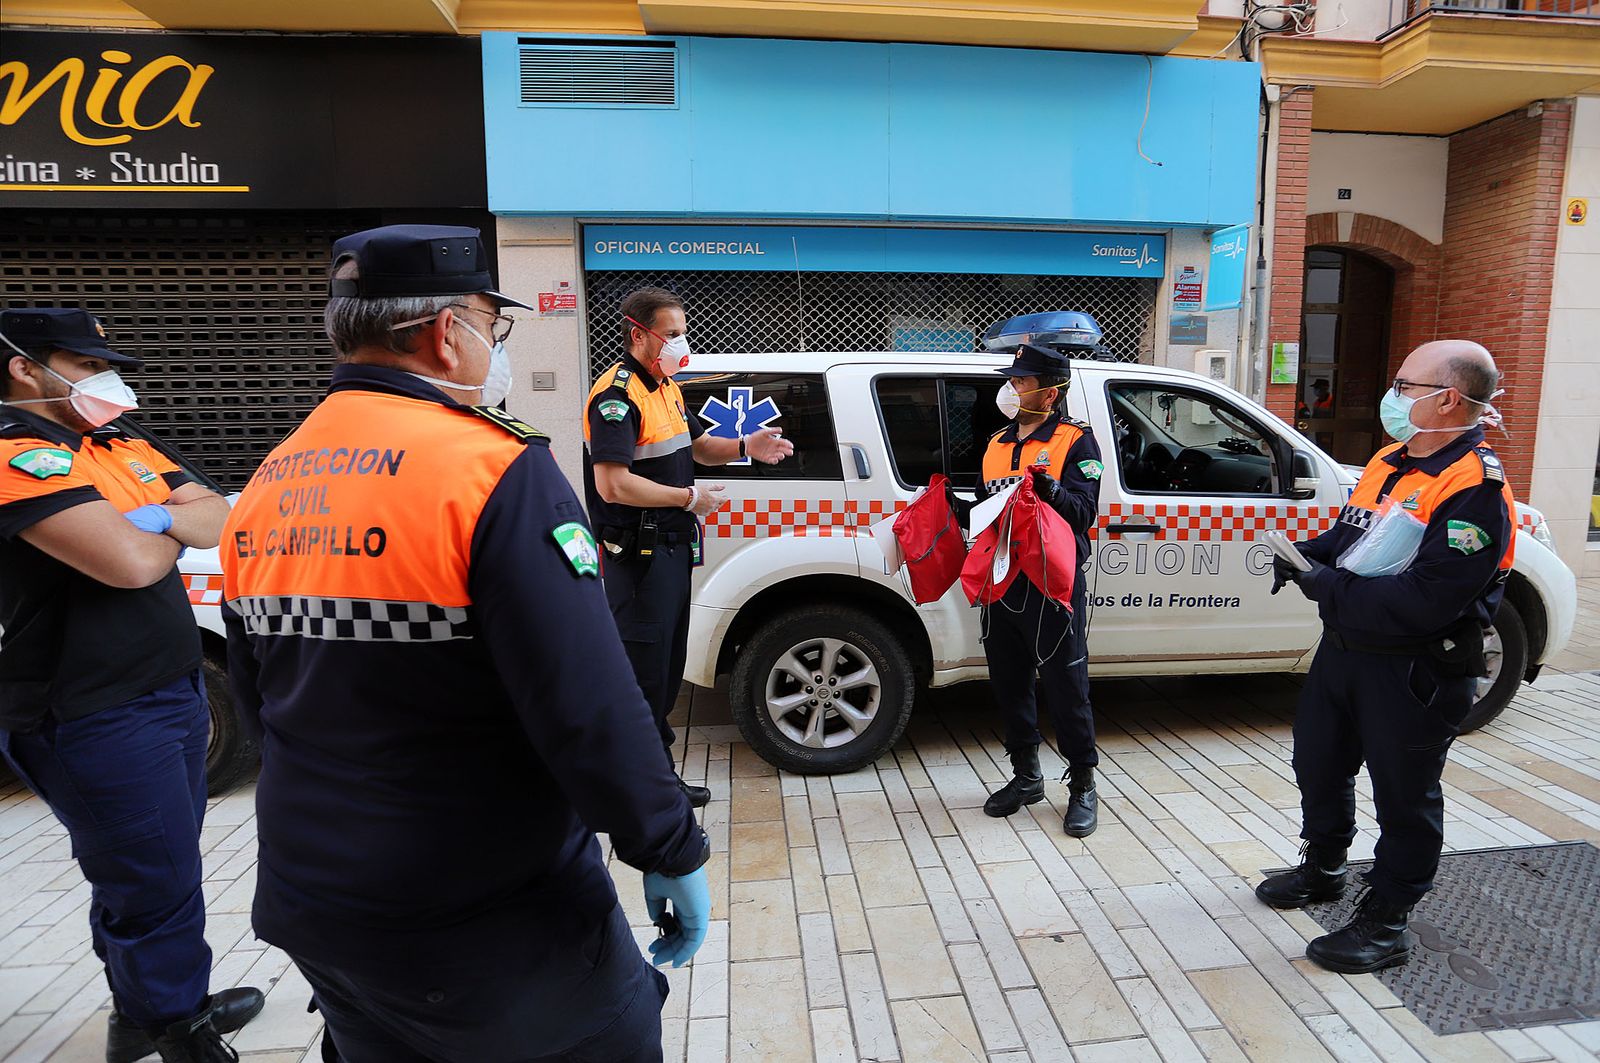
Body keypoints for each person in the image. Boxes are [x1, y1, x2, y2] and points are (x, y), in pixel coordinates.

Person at [220, 227, 711, 1062]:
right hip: (481, 910)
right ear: (447, 331)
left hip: (317, 899)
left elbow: (260, 698)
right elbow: (586, 698)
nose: (496, 344)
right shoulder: (492, 469)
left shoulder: (273, 476)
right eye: (494, 322)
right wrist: (665, 843)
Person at [0, 307, 262, 1063]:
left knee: (152, 865)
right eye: (84, 365)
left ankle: (147, 1009)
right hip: (91, 705)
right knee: (152, 877)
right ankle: (178, 1030)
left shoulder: (114, 441)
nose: (102, 378)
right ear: (26, 366)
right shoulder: (18, 452)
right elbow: (130, 564)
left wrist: (149, 519)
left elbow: (218, 518)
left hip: (166, 688)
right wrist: (161, 523)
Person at [1258, 339, 1515, 975]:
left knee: (1405, 795)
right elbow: (1351, 535)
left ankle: (1388, 920)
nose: (1392, 397)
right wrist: (1305, 555)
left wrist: (1326, 585)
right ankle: (1324, 867)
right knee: (1318, 762)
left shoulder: (1474, 487)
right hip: (1346, 652)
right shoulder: (1389, 461)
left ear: (1449, 398)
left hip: (1414, 668)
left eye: (1405, 386)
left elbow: (1426, 598)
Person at [583, 287, 794, 807]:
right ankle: (633, 788)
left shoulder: (668, 388)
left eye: (683, 332)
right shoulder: (616, 396)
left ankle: (655, 778)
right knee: (641, 675)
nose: (682, 343)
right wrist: (688, 497)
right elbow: (612, 484)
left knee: (665, 671)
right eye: (671, 334)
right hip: (637, 558)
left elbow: (699, 446)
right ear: (638, 334)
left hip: (671, 554)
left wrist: (747, 445)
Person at [958, 340, 1104, 837]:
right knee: (1009, 681)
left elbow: (1084, 514)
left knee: (1067, 684)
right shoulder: (997, 443)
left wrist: (1054, 491)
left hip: (1052, 584)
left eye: (1021, 382)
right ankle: (1026, 776)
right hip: (1002, 580)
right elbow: (985, 508)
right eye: (1012, 380)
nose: (1011, 389)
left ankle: (1083, 785)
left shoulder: (1074, 442)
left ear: (1050, 392)